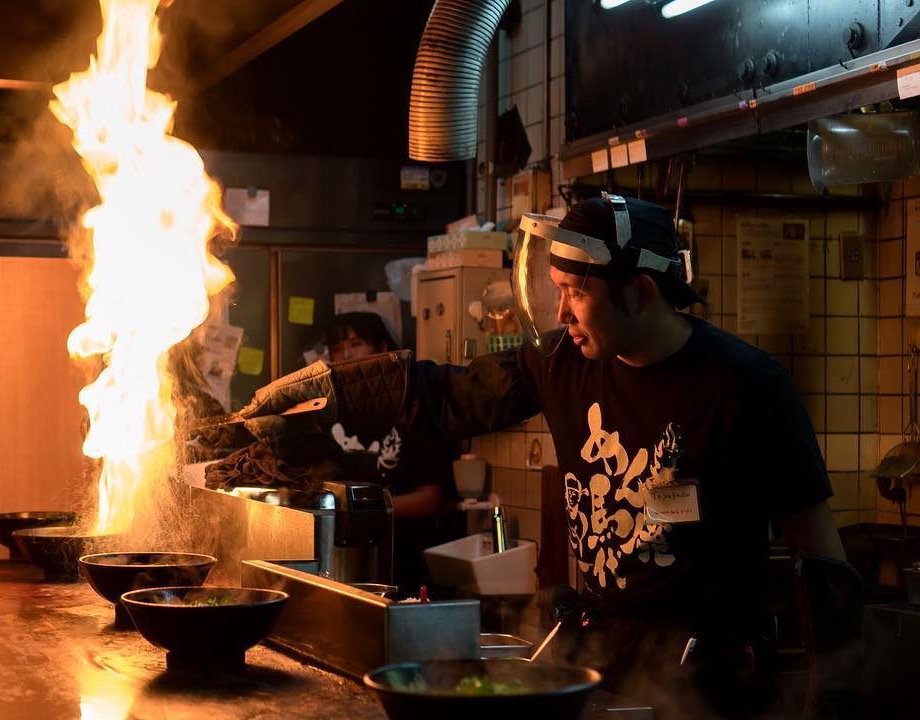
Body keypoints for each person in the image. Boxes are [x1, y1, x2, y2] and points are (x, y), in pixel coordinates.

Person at [238, 194, 845, 717]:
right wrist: (327, 396)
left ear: (639, 293)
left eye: (576, 293)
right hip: (601, 659)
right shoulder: (560, 362)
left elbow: (818, 556)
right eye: (556, 292)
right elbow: (450, 395)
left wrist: (835, 700)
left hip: (709, 679)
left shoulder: (747, 385)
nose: (560, 314)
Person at [322, 311, 461, 594]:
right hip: (341, 561)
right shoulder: (329, 411)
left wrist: (364, 512)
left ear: (383, 348)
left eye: (357, 343)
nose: (346, 354)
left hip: (406, 563)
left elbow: (430, 498)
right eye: (337, 349)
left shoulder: (411, 408)